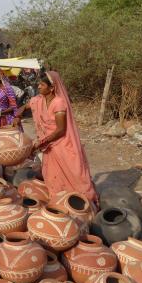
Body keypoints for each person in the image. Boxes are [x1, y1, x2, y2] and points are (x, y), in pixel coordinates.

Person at [14, 70, 98, 204]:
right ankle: (60, 202)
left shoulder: (59, 103)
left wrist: (41, 142)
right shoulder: (38, 100)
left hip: (62, 144)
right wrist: (18, 115)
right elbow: (25, 106)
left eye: (42, 85)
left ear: (52, 88)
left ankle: (83, 203)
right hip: (49, 147)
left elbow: (60, 130)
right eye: (39, 84)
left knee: (74, 174)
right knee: (53, 176)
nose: (39, 87)